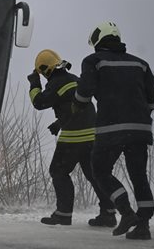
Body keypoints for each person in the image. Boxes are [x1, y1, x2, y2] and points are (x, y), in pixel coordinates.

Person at [73, 21, 154, 240]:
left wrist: (78, 103)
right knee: (139, 175)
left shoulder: (94, 61)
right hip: (140, 129)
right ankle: (143, 226)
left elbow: (84, 93)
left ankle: (126, 211)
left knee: (100, 171)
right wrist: (140, 114)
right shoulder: (141, 64)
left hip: (110, 129)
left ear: (98, 39)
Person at [28, 49, 116, 226]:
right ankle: (108, 213)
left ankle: (63, 214)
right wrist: (59, 123)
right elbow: (75, 107)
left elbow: (39, 102)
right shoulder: (74, 79)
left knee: (58, 171)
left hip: (74, 136)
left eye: (41, 73)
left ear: (45, 69)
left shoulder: (56, 83)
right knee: (94, 174)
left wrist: (34, 84)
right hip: (92, 135)